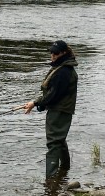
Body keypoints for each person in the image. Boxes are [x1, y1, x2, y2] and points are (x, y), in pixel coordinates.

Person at [24, 40, 78, 180]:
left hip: (60, 111)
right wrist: (38, 103)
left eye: (56, 53)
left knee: (54, 143)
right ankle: (64, 171)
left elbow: (54, 94)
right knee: (59, 140)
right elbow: (54, 94)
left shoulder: (64, 71)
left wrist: (35, 102)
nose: (52, 55)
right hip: (61, 110)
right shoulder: (63, 67)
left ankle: (50, 181)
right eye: (51, 52)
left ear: (64, 53)